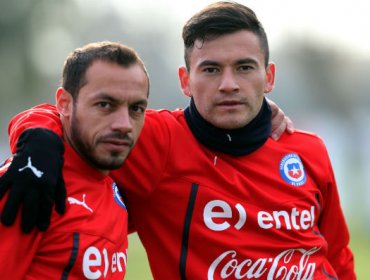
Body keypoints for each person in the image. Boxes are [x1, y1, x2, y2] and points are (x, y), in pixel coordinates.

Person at [0, 1, 356, 279]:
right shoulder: (152, 139)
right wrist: (38, 143)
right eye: (211, 69)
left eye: (245, 68)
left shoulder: (308, 149)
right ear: (185, 80)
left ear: (269, 77)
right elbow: (75, 115)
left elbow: (338, 255)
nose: (228, 83)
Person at [0, 41, 149, 278]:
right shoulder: (28, 184)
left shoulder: (114, 183)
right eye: (104, 105)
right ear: (65, 104)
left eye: (136, 108)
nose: (124, 124)